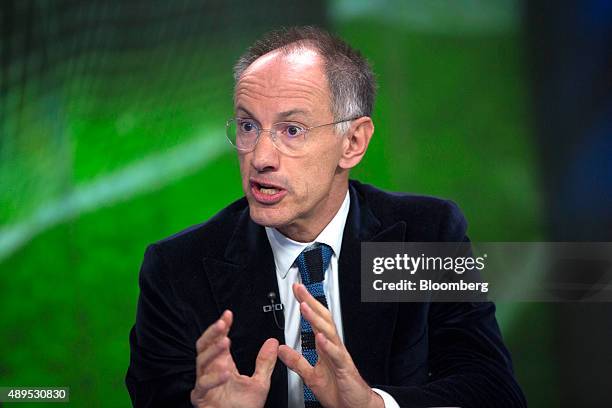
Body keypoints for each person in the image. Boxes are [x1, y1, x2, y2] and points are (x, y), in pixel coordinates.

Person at [126, 26, 526, 408]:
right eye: (248, 126)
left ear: (352, 142)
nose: (260, 158)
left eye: (292, 130)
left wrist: (374, 405)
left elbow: (492, 392)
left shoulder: (423, 236)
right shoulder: (177, 271)